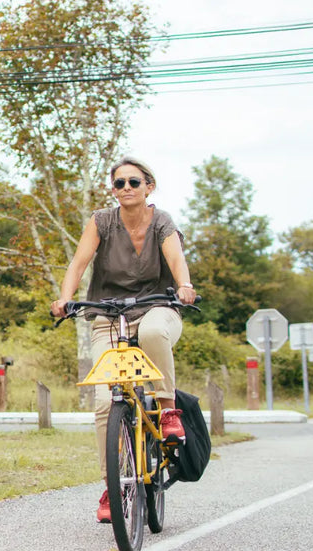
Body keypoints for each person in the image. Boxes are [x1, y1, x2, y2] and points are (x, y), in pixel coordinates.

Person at [50, 156, 197, 524]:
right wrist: (65, 298)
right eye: (120, 184)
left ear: (149, 187)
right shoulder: (101, 221)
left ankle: (167, 411)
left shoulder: (161, 221)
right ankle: (111, 486)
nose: (127, 189)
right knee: (104, 400)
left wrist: (184, 286)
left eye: (134, 182)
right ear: (113, 190)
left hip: (157, 308)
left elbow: (176, 259)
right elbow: (78, 263)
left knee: (151, 332)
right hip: (109, 316)